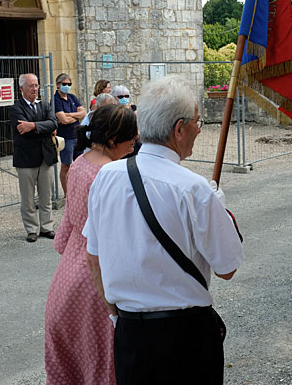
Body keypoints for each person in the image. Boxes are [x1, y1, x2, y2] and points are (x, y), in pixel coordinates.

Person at [83, 76, 244, 384]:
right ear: (179, 129)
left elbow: (94, 258)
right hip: (186, 336)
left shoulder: (105, 176)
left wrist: (116, 315)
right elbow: (228, 268)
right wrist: (221, 209)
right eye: (198, 122)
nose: (199, 129)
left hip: (130, 333)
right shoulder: (195, 189)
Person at [45, 104, 138, 385]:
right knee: (102, 361)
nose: (135, 141)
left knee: (74, 361)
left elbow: (68, 226)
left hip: (67, 278)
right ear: (112, 138)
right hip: (96, 281)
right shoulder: (111, 174)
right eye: (130, 136)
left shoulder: (79, 164)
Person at [10, 73, 58, 243]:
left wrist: (33, 126)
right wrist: (42, 127)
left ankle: (47, 226)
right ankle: (31, 229)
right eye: (31, 86)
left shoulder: (45, 105)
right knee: (28, 198)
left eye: (36, 85)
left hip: (45, 157)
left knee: (46, 196)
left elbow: (54, 123)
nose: (35, 89)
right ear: (21, 88)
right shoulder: (16, 108)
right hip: (26, 159)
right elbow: (21, 129)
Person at [53, 73, 86, 196]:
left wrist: (69, 114)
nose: (67, 86)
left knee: (78, 165)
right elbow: (63, 120)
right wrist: (75, 116)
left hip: (77, 137)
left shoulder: (72, 97)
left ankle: (78, 190)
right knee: (66, 165)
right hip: (65, 138)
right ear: (58, 85)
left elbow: (84, 113)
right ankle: (67, 194)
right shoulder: (55, 100)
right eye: (64, 84)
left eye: (69, 84)